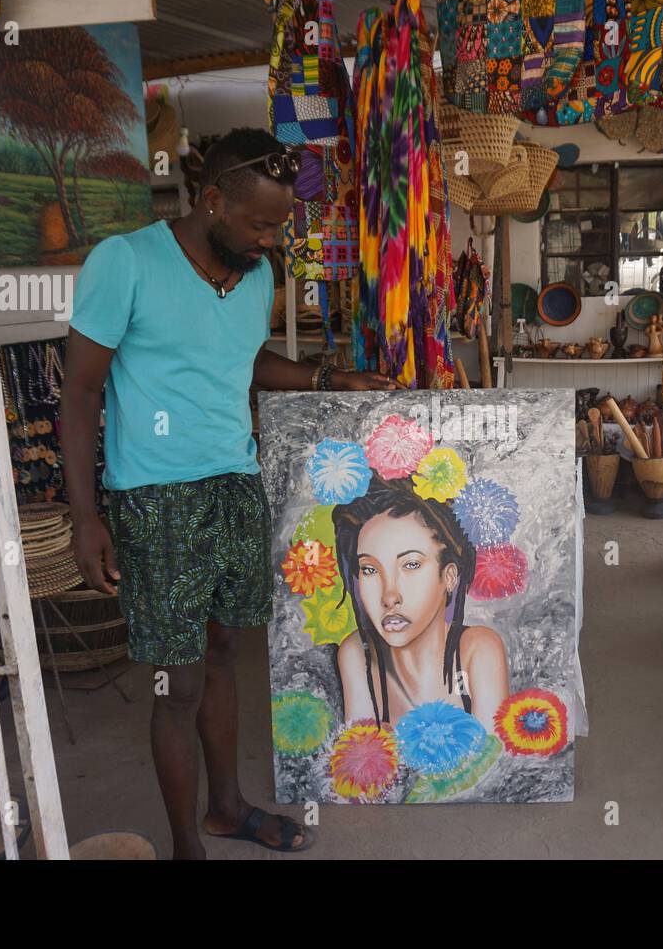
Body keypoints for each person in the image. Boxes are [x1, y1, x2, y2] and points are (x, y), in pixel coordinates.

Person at [61, 127, 399, 859]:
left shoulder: (253, 277)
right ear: (211, 200)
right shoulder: (126, 263)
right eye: (261, 224)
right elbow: (81, 392)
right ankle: (187, 845)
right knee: (176, 684)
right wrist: (86, 515)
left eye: (280, 224)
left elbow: (244, 363)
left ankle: (227, 808)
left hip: (234, 487)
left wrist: (328, 378)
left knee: (221, 654)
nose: (271, 239)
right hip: (156, 500)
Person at [331, 475, 508, 732]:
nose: (389, 596)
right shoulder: (357, 655)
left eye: (411, 564)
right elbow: (361, 764)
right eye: (369, 569)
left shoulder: (477, 651)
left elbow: (499, 768)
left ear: (449, 576)